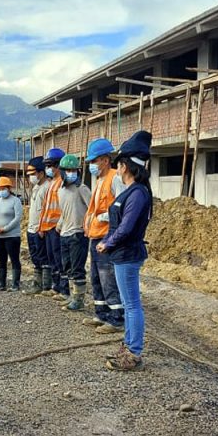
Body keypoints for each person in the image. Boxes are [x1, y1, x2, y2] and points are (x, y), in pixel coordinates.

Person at [96, 131, 153, 372]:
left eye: (119, 164)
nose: (117, 169)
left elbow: (127, 226)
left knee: (132, 305)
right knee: (130, 304)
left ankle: (134, 352)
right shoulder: (131, 191)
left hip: (128, 254)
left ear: (125, 166)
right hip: (122, 254)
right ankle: (128, 346)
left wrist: (107, 242)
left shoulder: (138, 192)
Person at [83, 138, 126, 333]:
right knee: (96, 277)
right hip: (95, 235)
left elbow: (122, 207)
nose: (92, 165)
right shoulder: (99, 180)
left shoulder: (115, 178)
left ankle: (116, 319)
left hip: (107, 236)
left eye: (94, 161)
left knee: (107, 277)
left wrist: (103, 216)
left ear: (105, 160)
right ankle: (101, 313)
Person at [55, 154, 91, 311]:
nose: (71, 173)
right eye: (68, 170)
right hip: (64, 233)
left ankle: (79, 299)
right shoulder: (60, 191)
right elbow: (64, 211)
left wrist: (87, 226)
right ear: (62, 172)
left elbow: (92, 209)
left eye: (74, 170)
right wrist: (60, 224)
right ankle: (71, 295)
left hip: (78, 233)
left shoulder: (81, 189)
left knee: (77, 268)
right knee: (67, 266)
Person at [37, 148, 68, 298]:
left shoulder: (62, 182)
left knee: (59, 259)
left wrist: (59, 225)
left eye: (50, 165)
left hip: (56, 227)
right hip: (48, 227)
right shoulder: (52, 183)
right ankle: (56, 287)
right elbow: (46, 207)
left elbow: (63, 207)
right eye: (47, 166)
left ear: (58, 165)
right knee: (52, 259)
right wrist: (41, 226)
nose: (48, 169)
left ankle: (64, 289)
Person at [0, 176, 23, 291]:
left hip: (11, 236)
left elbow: (17, 218)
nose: (1, 191)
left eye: (4, 188)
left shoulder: (15, 201)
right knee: (1, 259)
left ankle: (15, 284)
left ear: (9, 188)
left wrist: (5, 228)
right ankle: (2, 283)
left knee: (14, 259)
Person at [21, 156, 48, 295]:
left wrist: (42, 227)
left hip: (40, 229)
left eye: (33, 174)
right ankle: (37, 283)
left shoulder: (47, 187)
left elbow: (47, 210)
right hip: (32, 227)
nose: (30, 177)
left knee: (43, 257)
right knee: (35, 257)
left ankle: (45, 285)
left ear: (41, 173)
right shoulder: (36, 187)